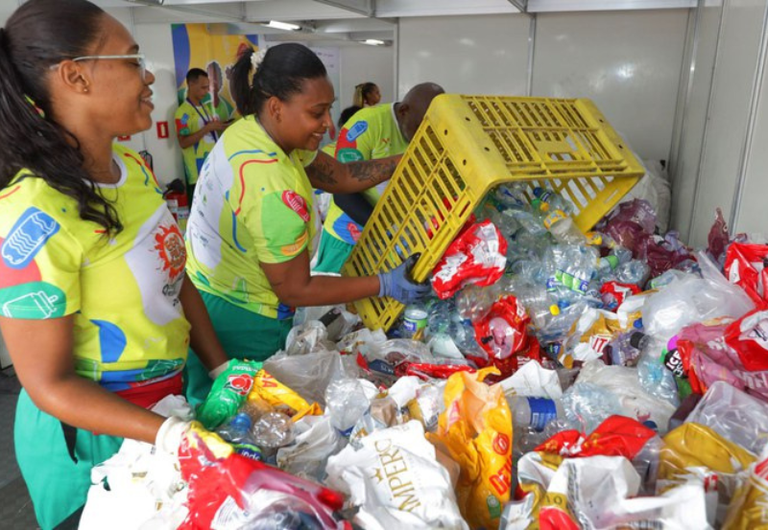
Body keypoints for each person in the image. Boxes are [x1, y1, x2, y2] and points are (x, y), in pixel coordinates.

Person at [0, 1, 230, 527]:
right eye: (132, 60)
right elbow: (49, 384)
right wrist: (169, 435)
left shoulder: (131, 168)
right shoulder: (33, 214)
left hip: (163, 408)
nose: (148, 77)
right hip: (92, 443)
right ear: (75, 76)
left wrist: (220, 369)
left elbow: (175, 280)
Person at [184, 44, 430, 404]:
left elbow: (341, 176)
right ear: (276, 107)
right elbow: (296, 290)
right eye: (317, 113)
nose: (329, 124)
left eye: (329, 109)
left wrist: (407, 158)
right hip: (241, 318)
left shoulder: (254, 130)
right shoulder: (272, 185)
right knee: (244, 416)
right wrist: (383, 284)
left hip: (208, 291)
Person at [314, 82, 445, 273]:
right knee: (332, 287)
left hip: (391, 240)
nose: (423, 136)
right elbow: (342, 193)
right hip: (348, 236)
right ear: (404, 111)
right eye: (419, 127)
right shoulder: (367, 125)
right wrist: (385, 231)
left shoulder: (427, 133)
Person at [175, 68, 229, 204]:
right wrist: (207, 128)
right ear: (191, 85)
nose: (206, 91)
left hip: (213, 165)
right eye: (203, 87)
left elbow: (208, 132)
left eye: (207, 87)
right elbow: (183, 143)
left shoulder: (204, 107)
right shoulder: (183, 112)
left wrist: (220, 126)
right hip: (198, 170)